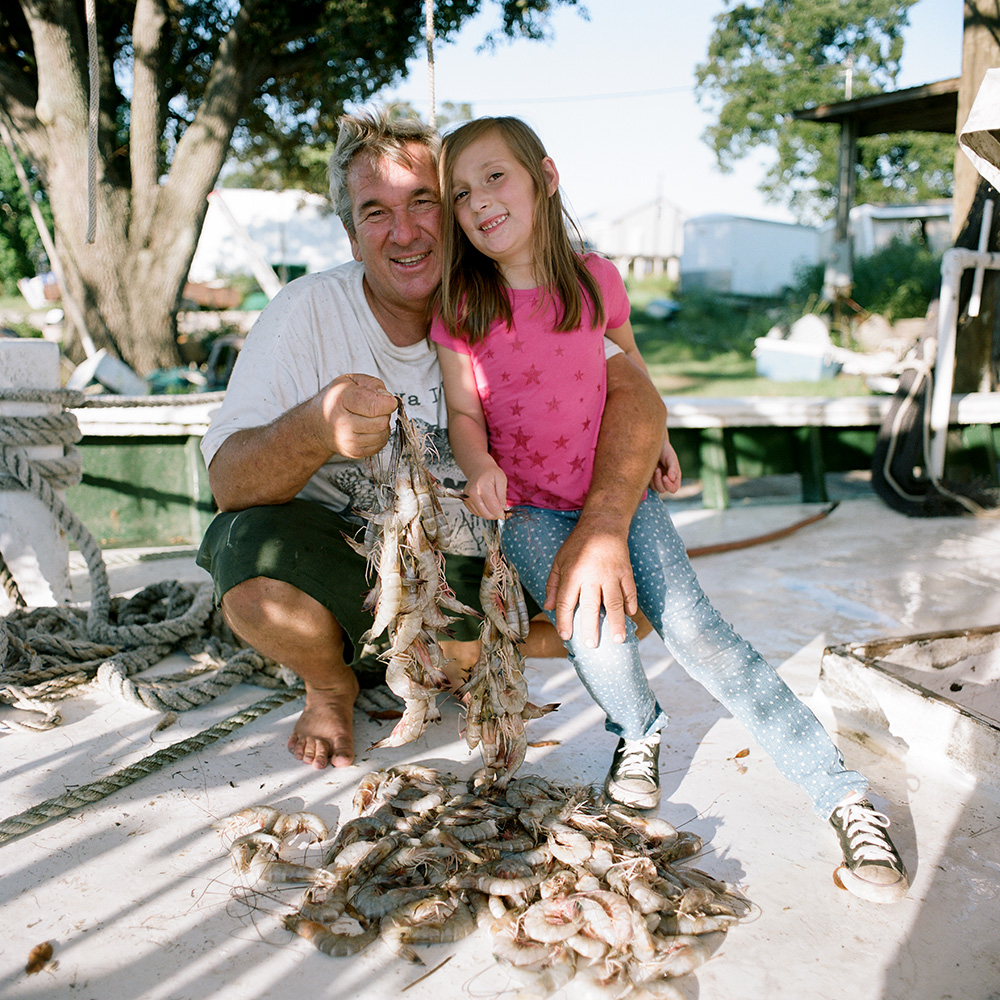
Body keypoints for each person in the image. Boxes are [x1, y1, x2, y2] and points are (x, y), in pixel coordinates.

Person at [429, 115, 908, 905]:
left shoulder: (595, 280)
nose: (478, 201)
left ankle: (841, 792)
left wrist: (656, 440)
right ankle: (638, 731)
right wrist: (478, 466)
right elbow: (463, 413)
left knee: (695, 630)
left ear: (545, 178)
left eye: (494, 177)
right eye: (459, 193)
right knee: (595, 631)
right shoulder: (464, 306)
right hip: (530, 509)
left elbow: (628, 364)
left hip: (619, 494)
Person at [195, 108, 670, 777]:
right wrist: (314, 425)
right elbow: (230, 486)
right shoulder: (305, 311)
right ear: (351, 236)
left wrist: (605, 523)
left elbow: (636, 394)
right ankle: (334, 683)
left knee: (640, 595)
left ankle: (456, 652)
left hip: (490, 562)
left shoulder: (523, 290)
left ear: (457, 214)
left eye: (424, 202)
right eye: (375, 212)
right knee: (249, 565)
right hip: (357, 575)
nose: (406, 231)